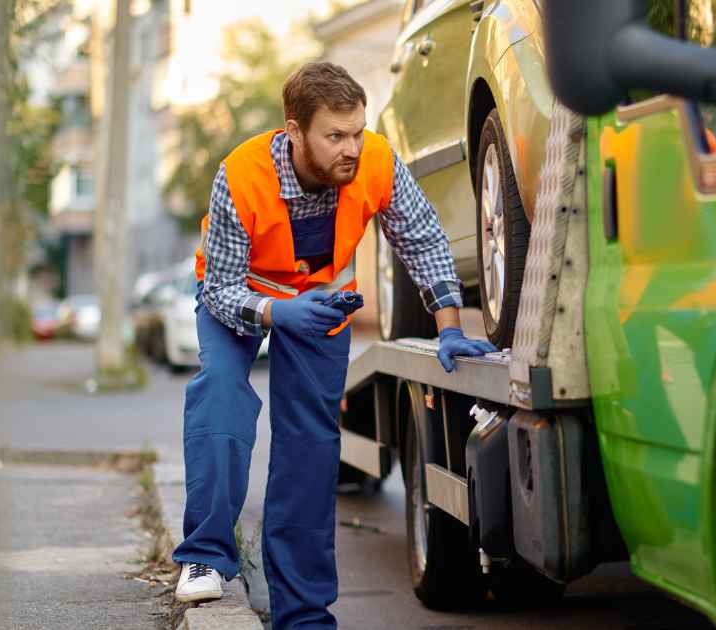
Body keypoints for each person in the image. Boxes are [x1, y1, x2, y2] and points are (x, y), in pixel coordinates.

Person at [170, 62, 497, 628]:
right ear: (294, 131)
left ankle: (301, 611)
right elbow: (219, 289)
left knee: (309, 449)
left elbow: (421, 237)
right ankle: (205, 556)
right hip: (240, 298)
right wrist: (275, 310)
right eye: (335, 136)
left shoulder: (374, 159)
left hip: (320, 305)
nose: (352, 148)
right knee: (222, 399)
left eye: (357, 131)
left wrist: (448, 324)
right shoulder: (241, 175)